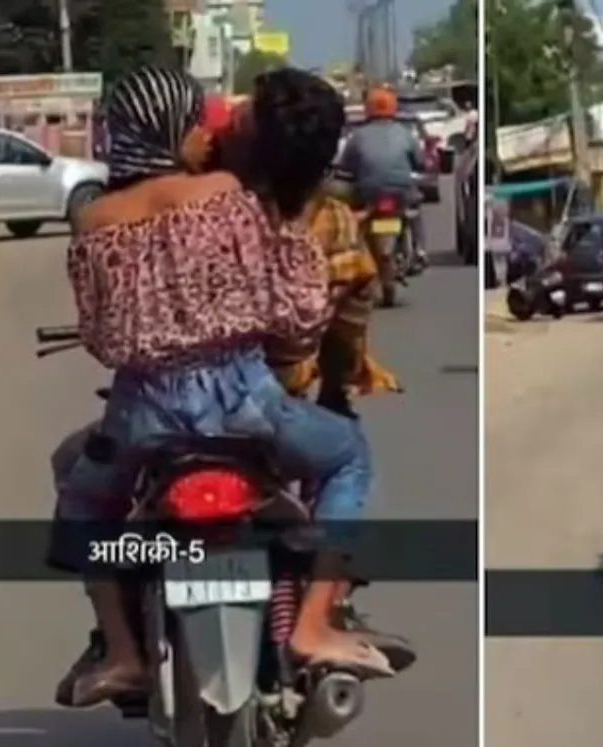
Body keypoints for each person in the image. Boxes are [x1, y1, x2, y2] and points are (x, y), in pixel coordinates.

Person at [49, 66, 397, 709]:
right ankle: (315, 624)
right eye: (195, 123)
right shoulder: (226, 192)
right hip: (244, 402)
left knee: (81, 501)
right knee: (348, 453)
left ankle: (121, 652)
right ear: (174, 130)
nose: (206, 133)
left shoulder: (92, 217)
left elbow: (98, 338)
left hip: (139, 414)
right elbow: (296, 309)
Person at [338, 86, 428, 270]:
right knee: (414, 210)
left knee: (355, 214)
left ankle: (356, 249)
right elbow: (420, 161)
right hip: (401, 190)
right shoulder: (404, 133)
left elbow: (345, 165)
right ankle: (420, 251)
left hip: (368, 192)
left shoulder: (358, 136)